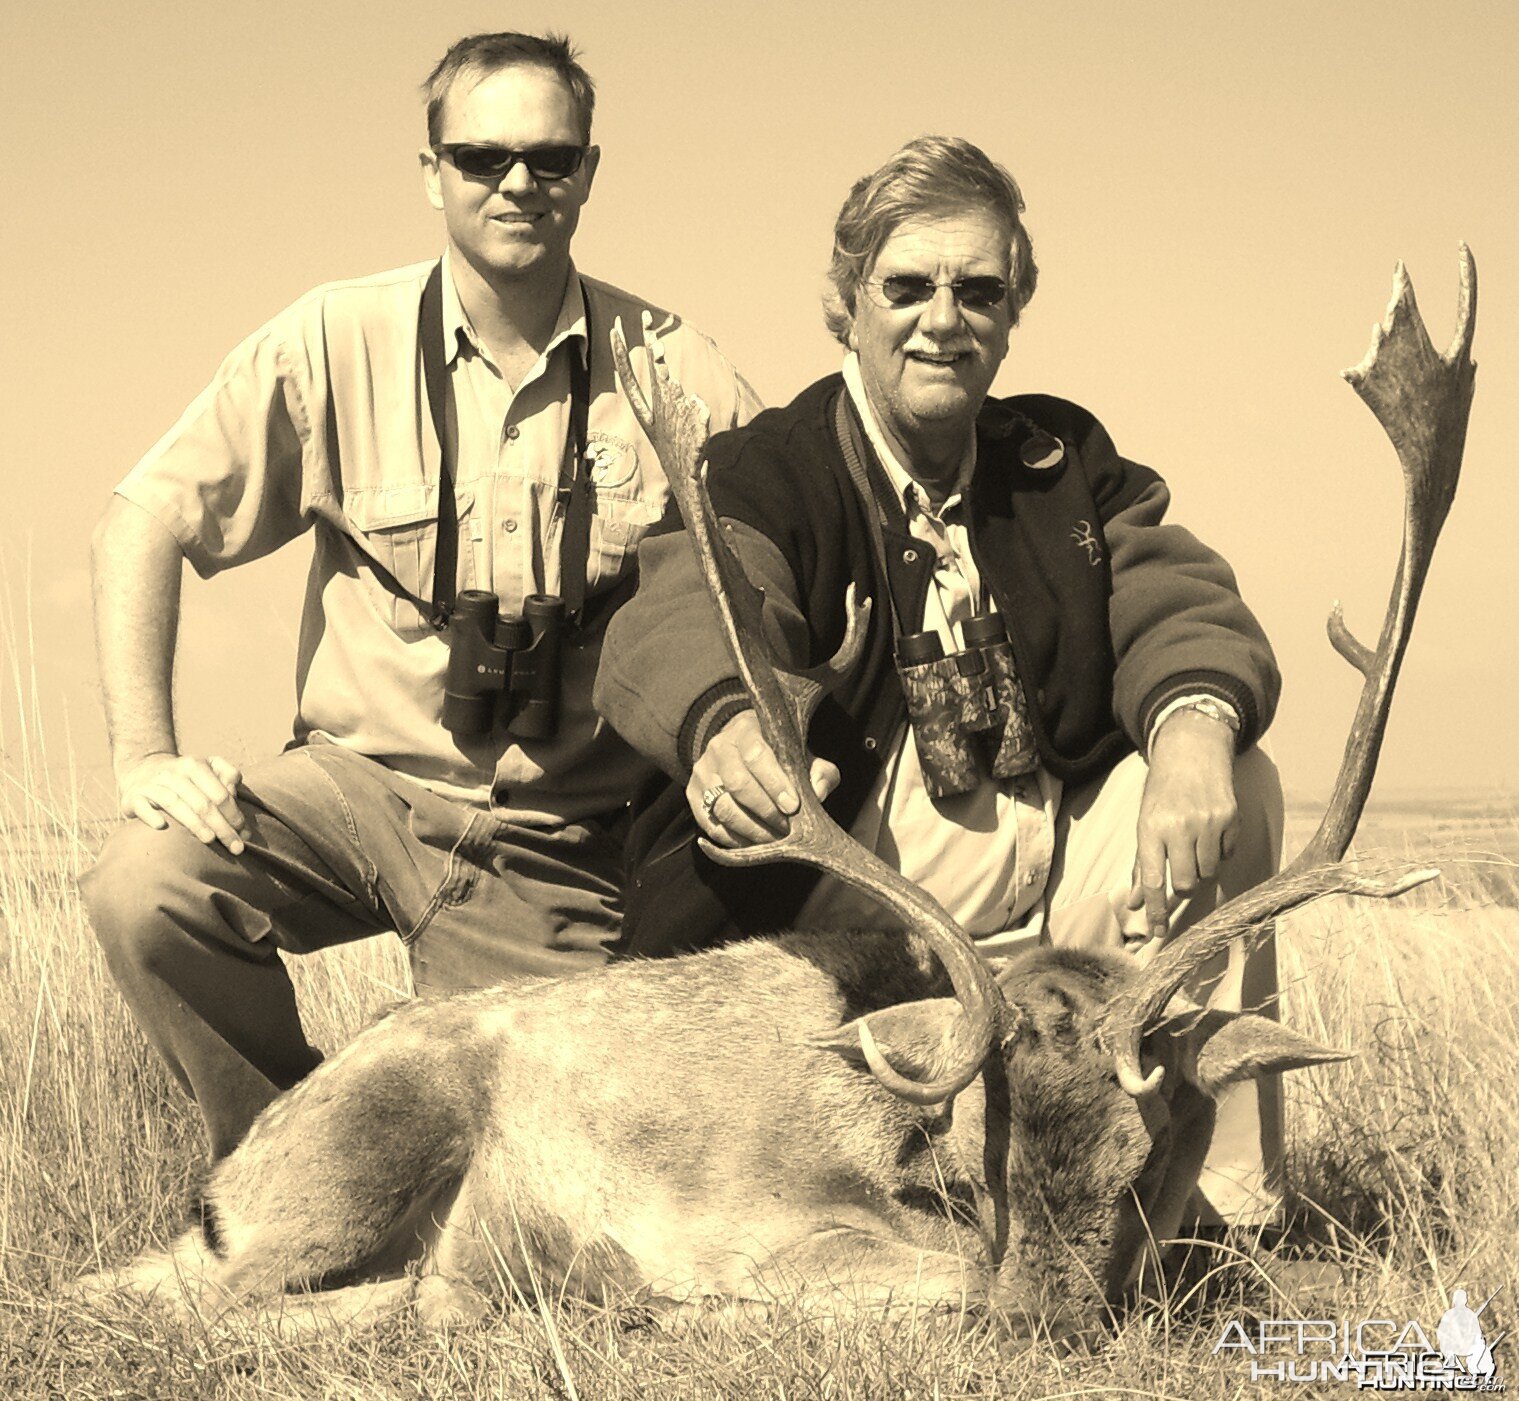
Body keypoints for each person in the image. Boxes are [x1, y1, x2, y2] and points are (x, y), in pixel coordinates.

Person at [81, 31, 761, 1160]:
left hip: (559, 840)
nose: (517, 184)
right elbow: (139, 521)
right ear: (431, 171)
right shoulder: (329, 338)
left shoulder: (681, 372)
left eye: (550, 158)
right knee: (143, 884)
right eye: (483, 156)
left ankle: (388, 1170)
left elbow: (770, 584)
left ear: (590, 172)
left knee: (544, 1165)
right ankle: (278, 1157)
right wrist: (146, 755)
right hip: (358, 792)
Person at [596, 135, 1285, 1225]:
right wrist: (727, 720)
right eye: (906, 286)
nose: (942, 318)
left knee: (1240, 785)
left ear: (1016, 306)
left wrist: (1195, 723)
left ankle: (1219, 1207)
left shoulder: (1059, 459)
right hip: (850, 925)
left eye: (977, 289)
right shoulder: (767, 470)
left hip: (1057, 910)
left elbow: (1174, 593)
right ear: (844, 303)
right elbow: (694, 605)